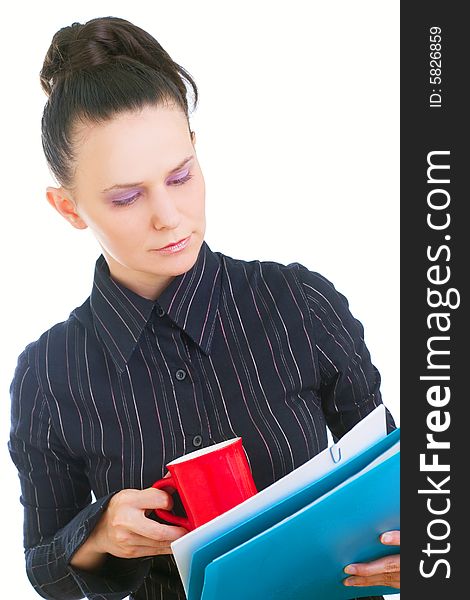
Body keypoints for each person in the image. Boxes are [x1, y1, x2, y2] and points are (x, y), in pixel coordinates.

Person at [8, 15, 400, 600]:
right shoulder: (49, 372)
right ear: (68, 208)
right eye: (125, 197)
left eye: (181, 176)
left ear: (196, 150)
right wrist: (99, 535)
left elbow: (386, 480)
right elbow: (43, 566)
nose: (169, 216)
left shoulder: (299, 303)